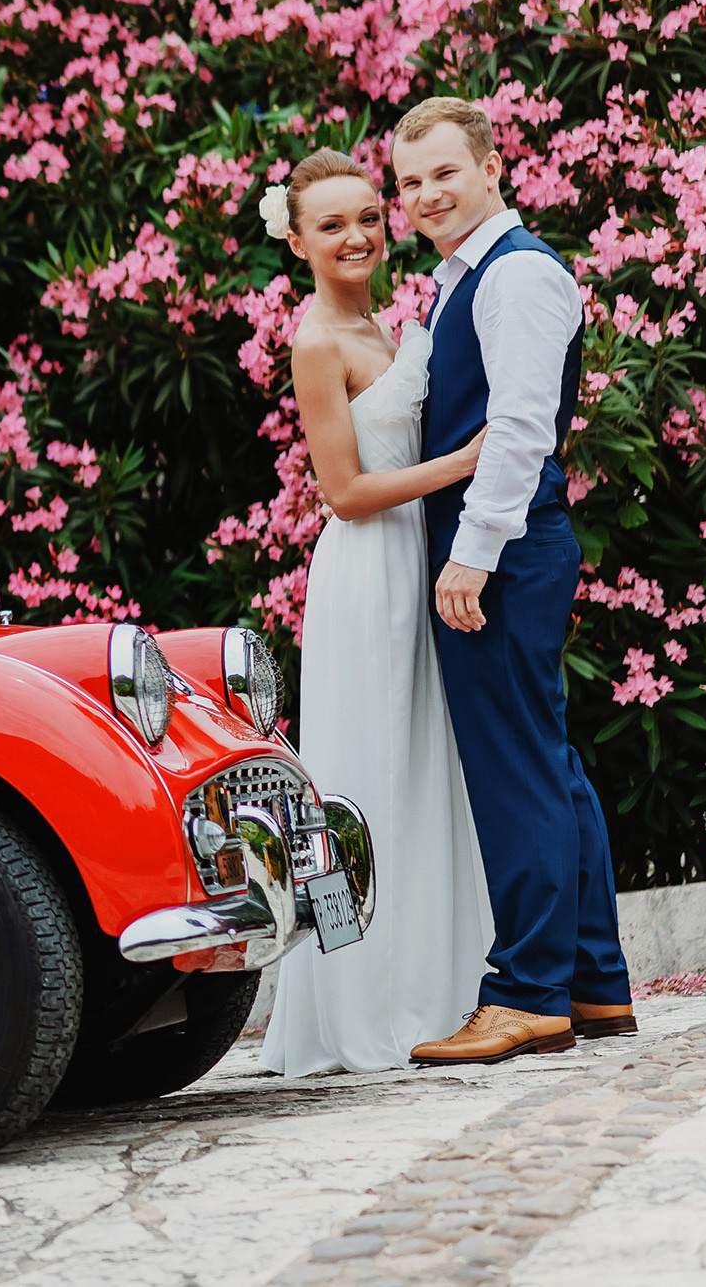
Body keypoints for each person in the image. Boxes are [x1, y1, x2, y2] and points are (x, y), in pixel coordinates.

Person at [390, 97, 635, 1065]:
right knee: (548, 757)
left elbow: (523, 429)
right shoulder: (468, 278)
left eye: (443, 172)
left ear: (494, 164)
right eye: (409, 182)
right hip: (509, 543)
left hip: (504, 544)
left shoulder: (517, 275)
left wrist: (473, 551)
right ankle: (594, 982)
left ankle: (529, 991)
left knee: (515, 766)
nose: (426, 196)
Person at [257, 148, 497, 1077]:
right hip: (368, 571)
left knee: (425, 766)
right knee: (370, 772)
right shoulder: (316, 339)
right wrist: (466, 463)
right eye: (332, 224)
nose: (357, 235)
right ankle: (368, 1005)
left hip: (417, 558)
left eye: (367, 216)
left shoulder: (387, 326)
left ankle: (438, 987)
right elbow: (345, 491)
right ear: (297, 240)